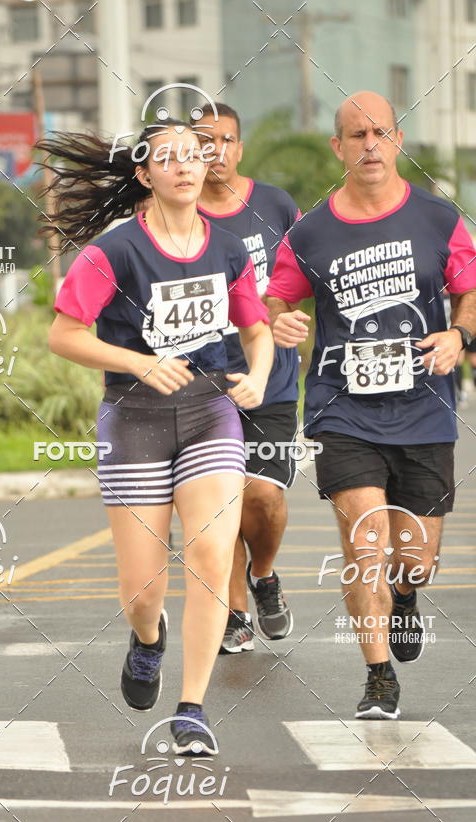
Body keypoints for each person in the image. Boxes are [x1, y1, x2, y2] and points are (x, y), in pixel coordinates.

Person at [38, 120, 273, 754]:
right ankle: (148, 638)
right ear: (145, 174)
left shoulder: (229, 249)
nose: (185, 166)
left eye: (193, 155)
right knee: (143, 592)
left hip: (209, 412)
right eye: (167, 159)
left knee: (211, 557)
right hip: (133, 417)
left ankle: (192, 709)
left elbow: (256, 329)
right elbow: (63, 335)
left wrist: (258, 375)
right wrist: (139, 363)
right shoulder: (114, 252)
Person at [268, 91, 476, 719]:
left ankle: (406, 594)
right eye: (356, 135)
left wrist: (458, 335)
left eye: (380, 132)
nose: (370, 145)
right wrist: (279, 320)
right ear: (338, 147)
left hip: (424, 408)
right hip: (343, 410)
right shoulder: (311, 232)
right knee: (366, 544)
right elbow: (276, 296)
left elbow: (470, 291)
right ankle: (378, 675)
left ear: (397, 140)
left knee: (415, 559)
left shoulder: (439, 219)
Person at [194, 102, 300, 654]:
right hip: (201, 384)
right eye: (203, 142)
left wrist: (289, 316)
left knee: (262, 496)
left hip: (270, 380)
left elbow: (303, 276)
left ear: (240, 147)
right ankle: (235, 612)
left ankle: (264, 574)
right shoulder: (174, 211)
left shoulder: (276, 205)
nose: (216, 151)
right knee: (220, 502)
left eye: (226, 140)